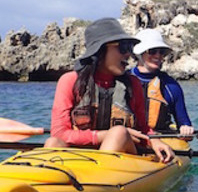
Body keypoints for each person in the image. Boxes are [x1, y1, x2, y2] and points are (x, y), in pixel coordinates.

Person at [44, 18, 173, 162]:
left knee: (119, 134)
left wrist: (154, 140)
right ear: (100, 50)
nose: (128, 55)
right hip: (81, 158)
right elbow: (59, 133)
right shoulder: (69, 81)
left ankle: (97, 179)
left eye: (130, 48)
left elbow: (142, 128)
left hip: (121, 158)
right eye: (123, 47)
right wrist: (103, 136)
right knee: (53, 143)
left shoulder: (132, 84)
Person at [130, 29, 194, 136]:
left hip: (160, 138)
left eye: (162, 52)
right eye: (152, 51)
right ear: (139, 54)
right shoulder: (123, 80)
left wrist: (186, 129)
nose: (158, 56)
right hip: (129, 139)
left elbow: (184, 122)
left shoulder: (171, 86)